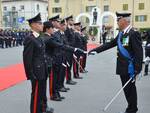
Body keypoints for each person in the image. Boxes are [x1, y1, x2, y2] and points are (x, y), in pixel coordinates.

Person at [89, 12, 143, 113]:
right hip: (122, 67)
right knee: (126, 89)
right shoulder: (121, 34)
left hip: (130, 68)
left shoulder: (133, 33)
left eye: (118, 20)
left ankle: (132, 109)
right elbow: (110, 44)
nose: (117, 22)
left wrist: (137, 69)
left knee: (130, 89)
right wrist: (96, 50)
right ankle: (131, 107)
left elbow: (138, 52)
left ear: (124, 20)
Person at [23, 13, 54, 113]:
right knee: (36, 95)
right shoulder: (30, 39)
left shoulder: (39, 37)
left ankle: (41, 109)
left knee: (41, 93)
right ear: (33, 25)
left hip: (42, 71)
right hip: (36, 73)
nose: (42, 25)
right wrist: (30, 75)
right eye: (40, 23)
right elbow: (27, 59)